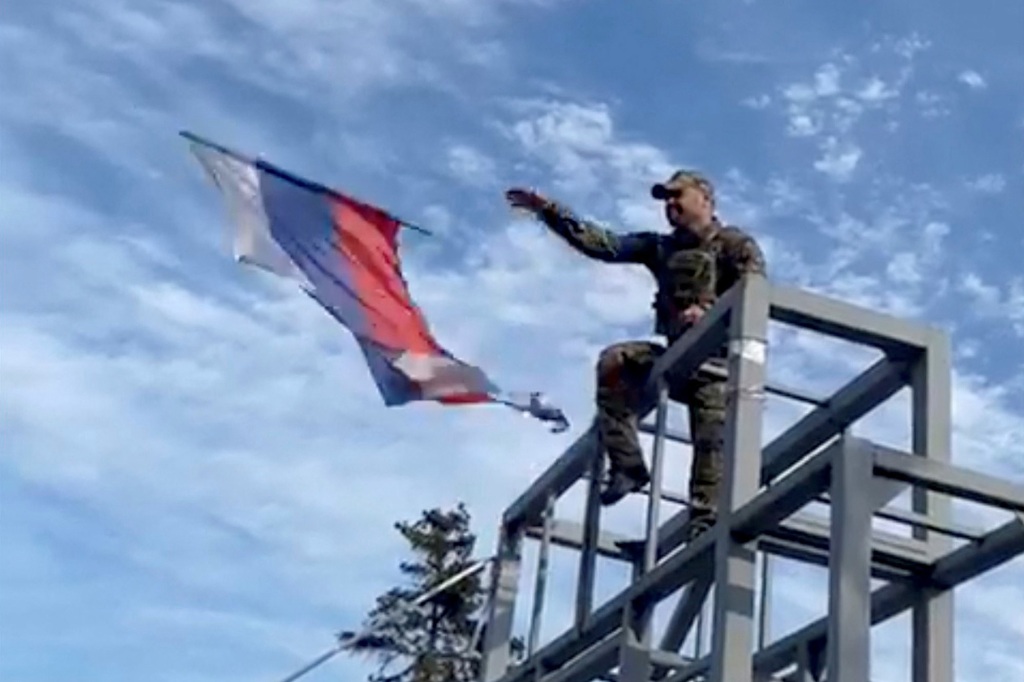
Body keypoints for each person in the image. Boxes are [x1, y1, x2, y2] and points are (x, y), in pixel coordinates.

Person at [506, 170, 767, 539]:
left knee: (711, 447)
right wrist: (549, 211)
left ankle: (705, 526)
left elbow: (757, 293)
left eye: (679, 196)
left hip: (719, 366)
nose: (670, 205)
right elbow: (604, 245)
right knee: (616, 362)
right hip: (676, 358)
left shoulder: (734, 244)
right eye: (666, 199)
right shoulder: (659, 246)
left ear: (706, 201)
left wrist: (712, 312)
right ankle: (628, 465)